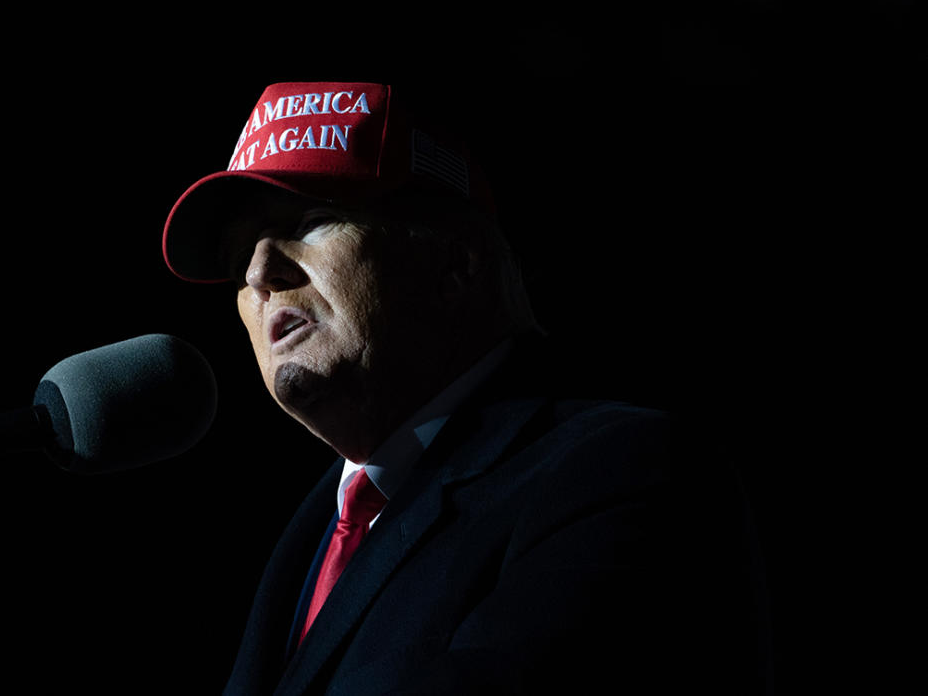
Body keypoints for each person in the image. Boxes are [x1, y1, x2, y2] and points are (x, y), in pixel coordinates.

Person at [162, 82, 771, 694]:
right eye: (241, 252)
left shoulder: (624, 471)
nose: (260, 272)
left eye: (313, 221)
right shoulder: (305, 540)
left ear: (455, 263)